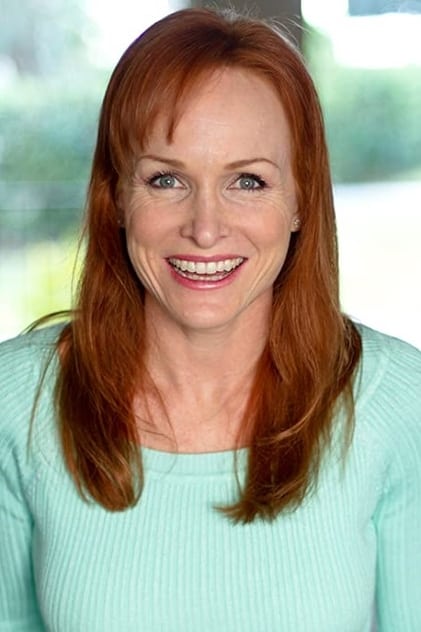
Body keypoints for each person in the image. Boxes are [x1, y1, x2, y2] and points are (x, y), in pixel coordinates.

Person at [1, 7, 420, 631]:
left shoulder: (400, 402)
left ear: (301, 199)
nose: (204, 228)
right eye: (166, 179)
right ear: (117, 197)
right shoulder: (15, 403)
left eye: (248, 181)